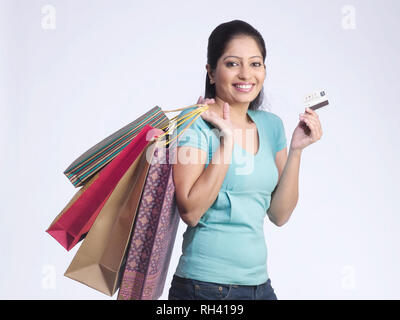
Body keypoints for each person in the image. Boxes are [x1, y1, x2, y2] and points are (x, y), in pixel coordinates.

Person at [168, 20, 323, 300]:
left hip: (259, 287)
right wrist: (226, 142)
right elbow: (190, 212)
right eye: (232, 64)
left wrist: (297, 149)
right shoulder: (194, 123)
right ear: (211, 73)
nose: (246, 74)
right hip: (203, 287)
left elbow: (279, 215)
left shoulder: (271, 125)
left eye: (255, 64)